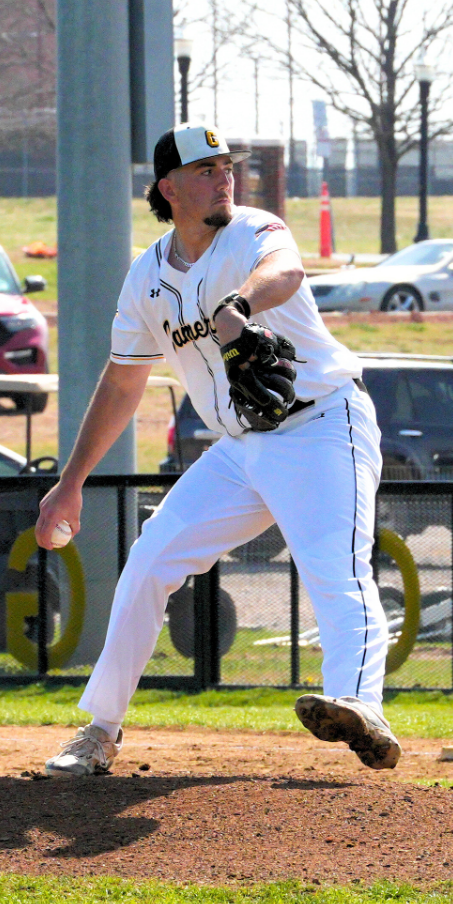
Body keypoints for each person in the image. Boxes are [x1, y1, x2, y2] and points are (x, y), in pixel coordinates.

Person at [34, 123, 399, 776]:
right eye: (206, 169)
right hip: (240, 448)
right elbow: (122, 383)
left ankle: (361, 706)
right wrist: (71, 482)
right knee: (148, 560)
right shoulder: (147, 278)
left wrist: (241, 302)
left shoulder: (252, 231)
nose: (223, 176)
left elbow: (284, 271)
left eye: (227, 166)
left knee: (334, 567)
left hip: (320, 425)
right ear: (167, 188)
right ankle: (100, 731)